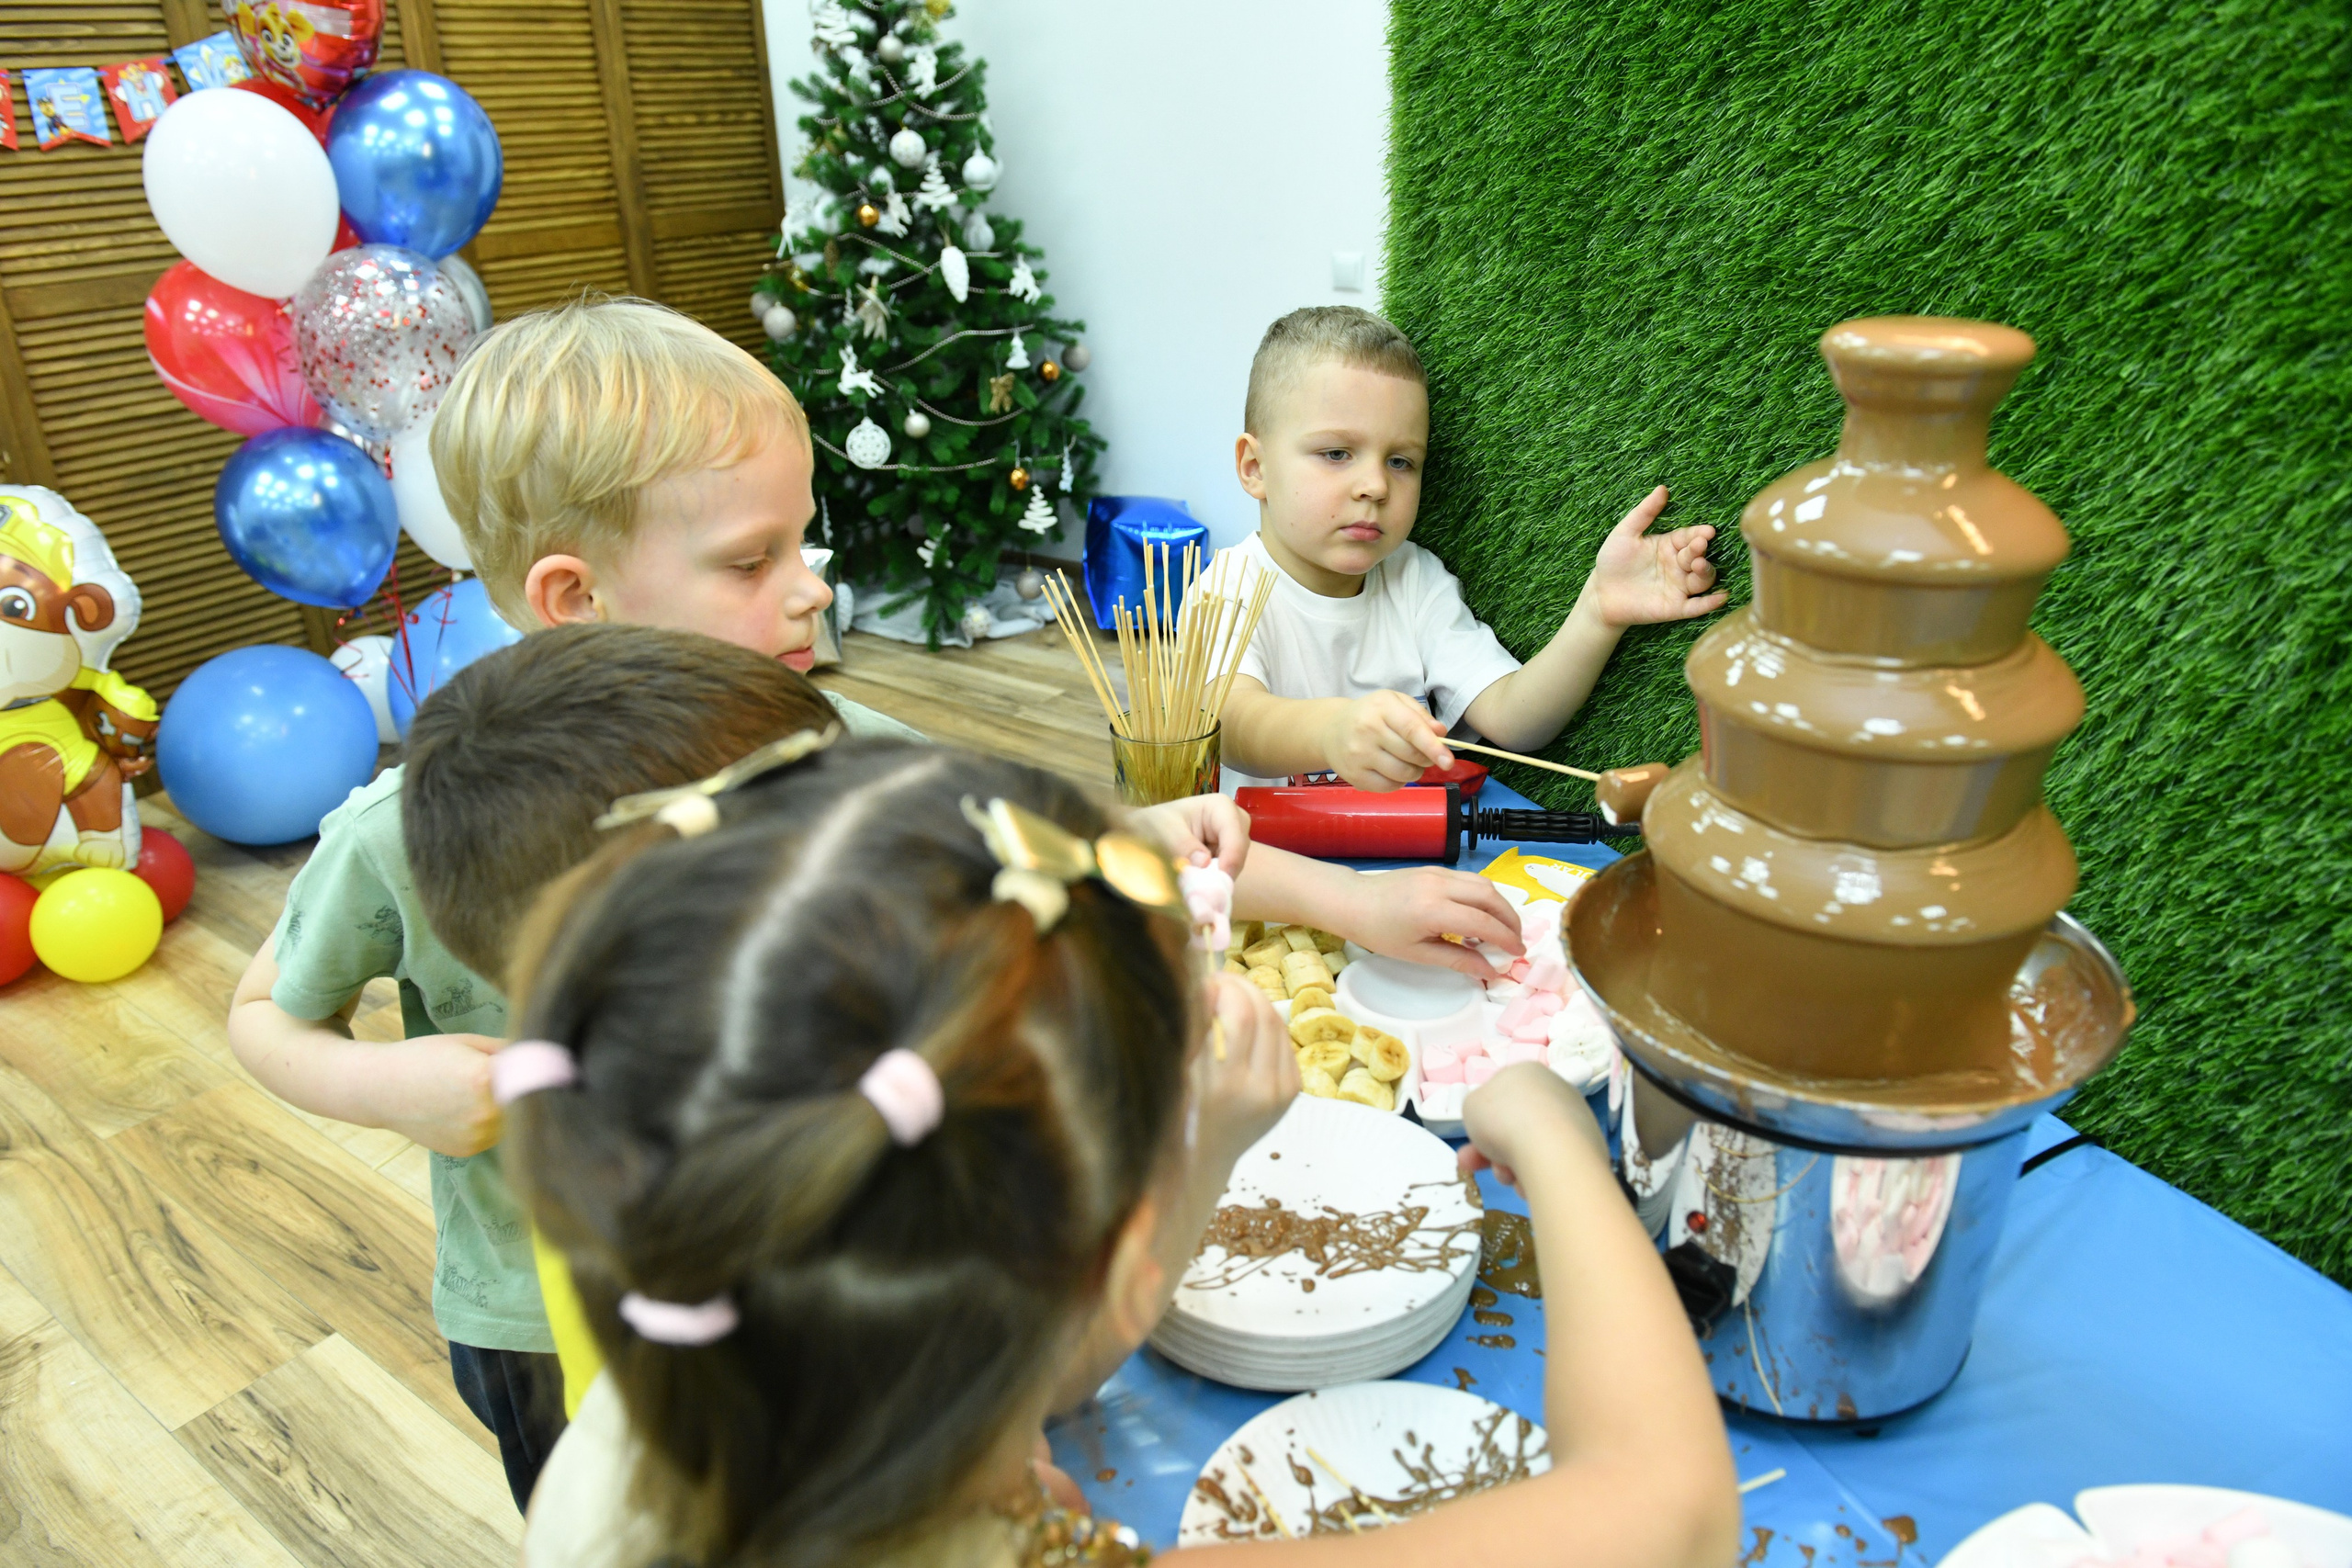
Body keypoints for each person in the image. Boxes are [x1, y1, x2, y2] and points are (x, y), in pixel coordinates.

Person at [501, 736, 1740, 1567]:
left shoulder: (668, 1405)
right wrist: (1557, 1138)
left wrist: (1184, 1162)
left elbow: (1039, 1362)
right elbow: (1669, 1505)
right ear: (1124, 1250)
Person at [433, 295, 1527, 976]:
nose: (816, 588)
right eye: (750, 561)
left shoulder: (837, 742)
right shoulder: (431, 819)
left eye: (802, 542)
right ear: (578, 602)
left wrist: (1353, 901)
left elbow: (1066, 836)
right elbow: (273, 1018)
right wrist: (407, 1084)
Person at [224, 623, 860, 1508]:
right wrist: (384, 1084)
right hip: (546, 1323)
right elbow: (263, 1015)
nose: (811, 591)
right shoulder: (391, 837)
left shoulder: (805, 753)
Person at [1213, 306, 1727, 790]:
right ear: (1254, 468)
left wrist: (1598, 611)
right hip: (1277, 871)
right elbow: (1227, 724)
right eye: (1336, 453)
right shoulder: (1227, 589)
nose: (1375, 485)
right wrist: (1331, 730)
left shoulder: (1414, 579)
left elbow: (1513, 720)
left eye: (1401, 461)